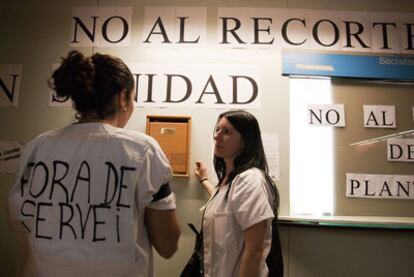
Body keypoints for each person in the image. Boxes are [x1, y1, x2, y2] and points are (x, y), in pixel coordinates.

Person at [8, 50, 180, 277]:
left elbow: (20, 224)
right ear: (123, 98)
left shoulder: (36, 147)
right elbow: (168, 246)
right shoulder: (143, 149)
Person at [195, 110, 283, 277]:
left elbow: (255, 249)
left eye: (227, 132)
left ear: (244, 142)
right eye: (218, 130)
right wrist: (204, 181)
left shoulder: (249, 180)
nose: (217, 136)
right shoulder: (232, 181)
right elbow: (225, 203)